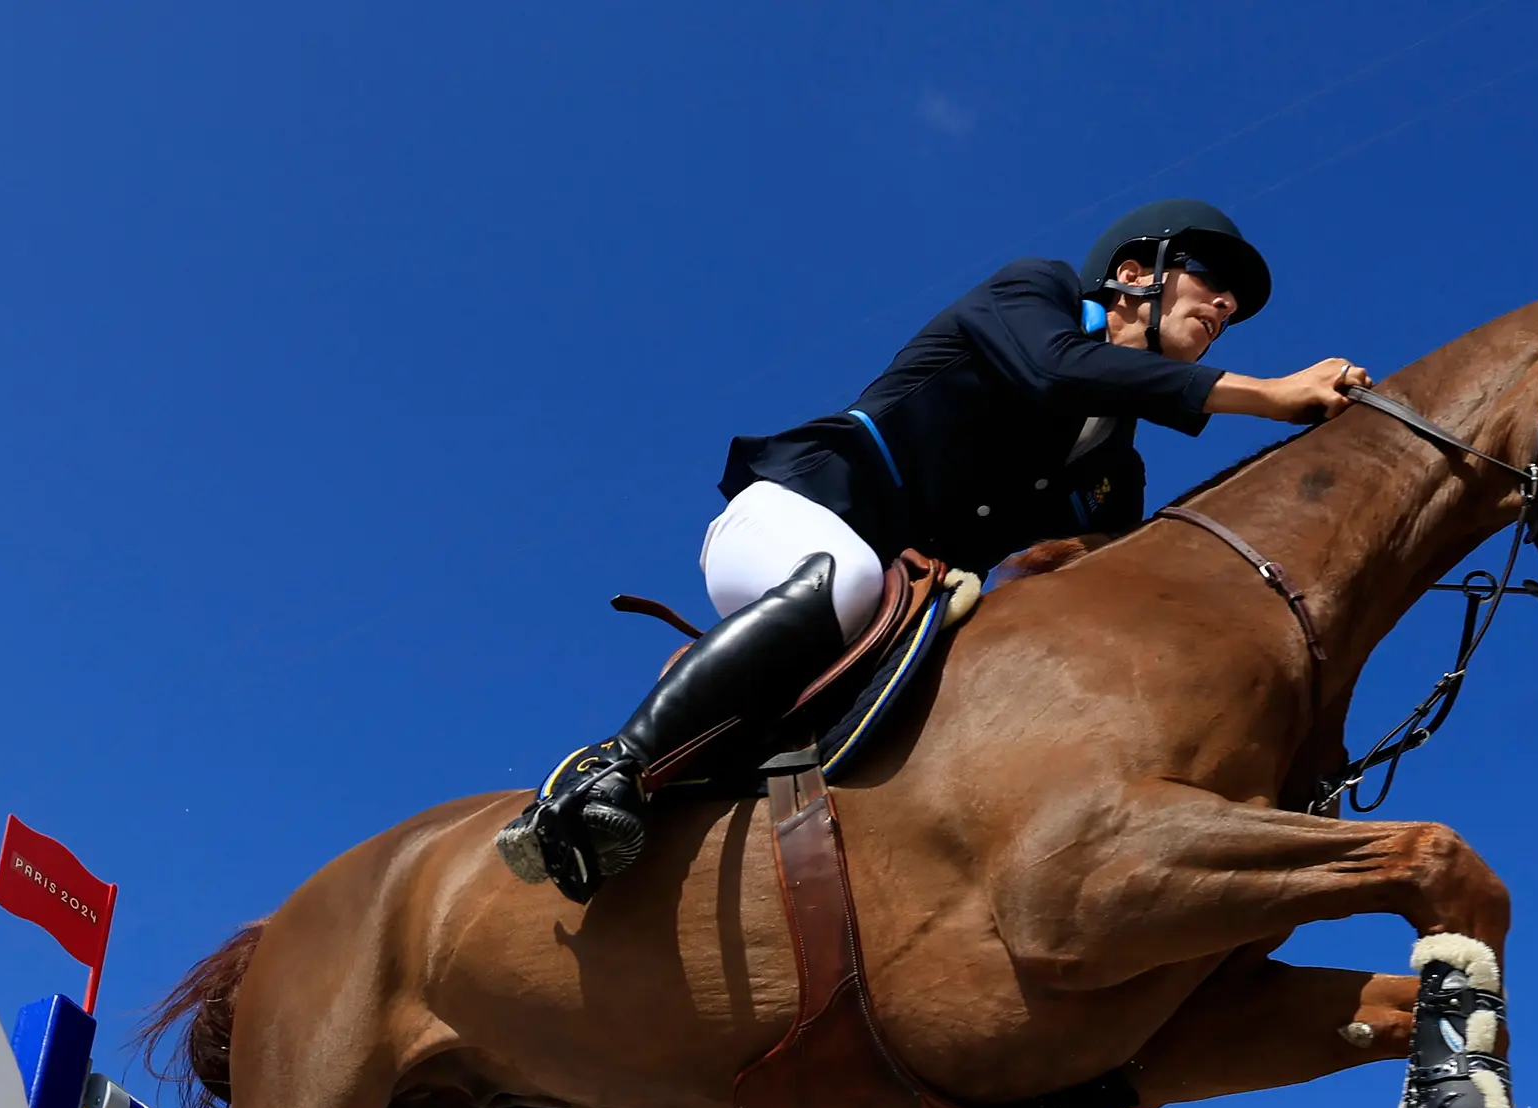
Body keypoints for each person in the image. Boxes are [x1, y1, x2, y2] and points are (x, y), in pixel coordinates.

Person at [493, 198, 1368, 899]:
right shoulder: (1036, 293)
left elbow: (1114, 595)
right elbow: (1056, 369)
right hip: (799, 517)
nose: (1225, 306)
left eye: (1234, 304)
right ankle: (606, 774)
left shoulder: (1114, 471)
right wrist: (1268, 394)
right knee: (849, 579)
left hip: (905, 607)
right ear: (1134, 274)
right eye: (1211, 278)